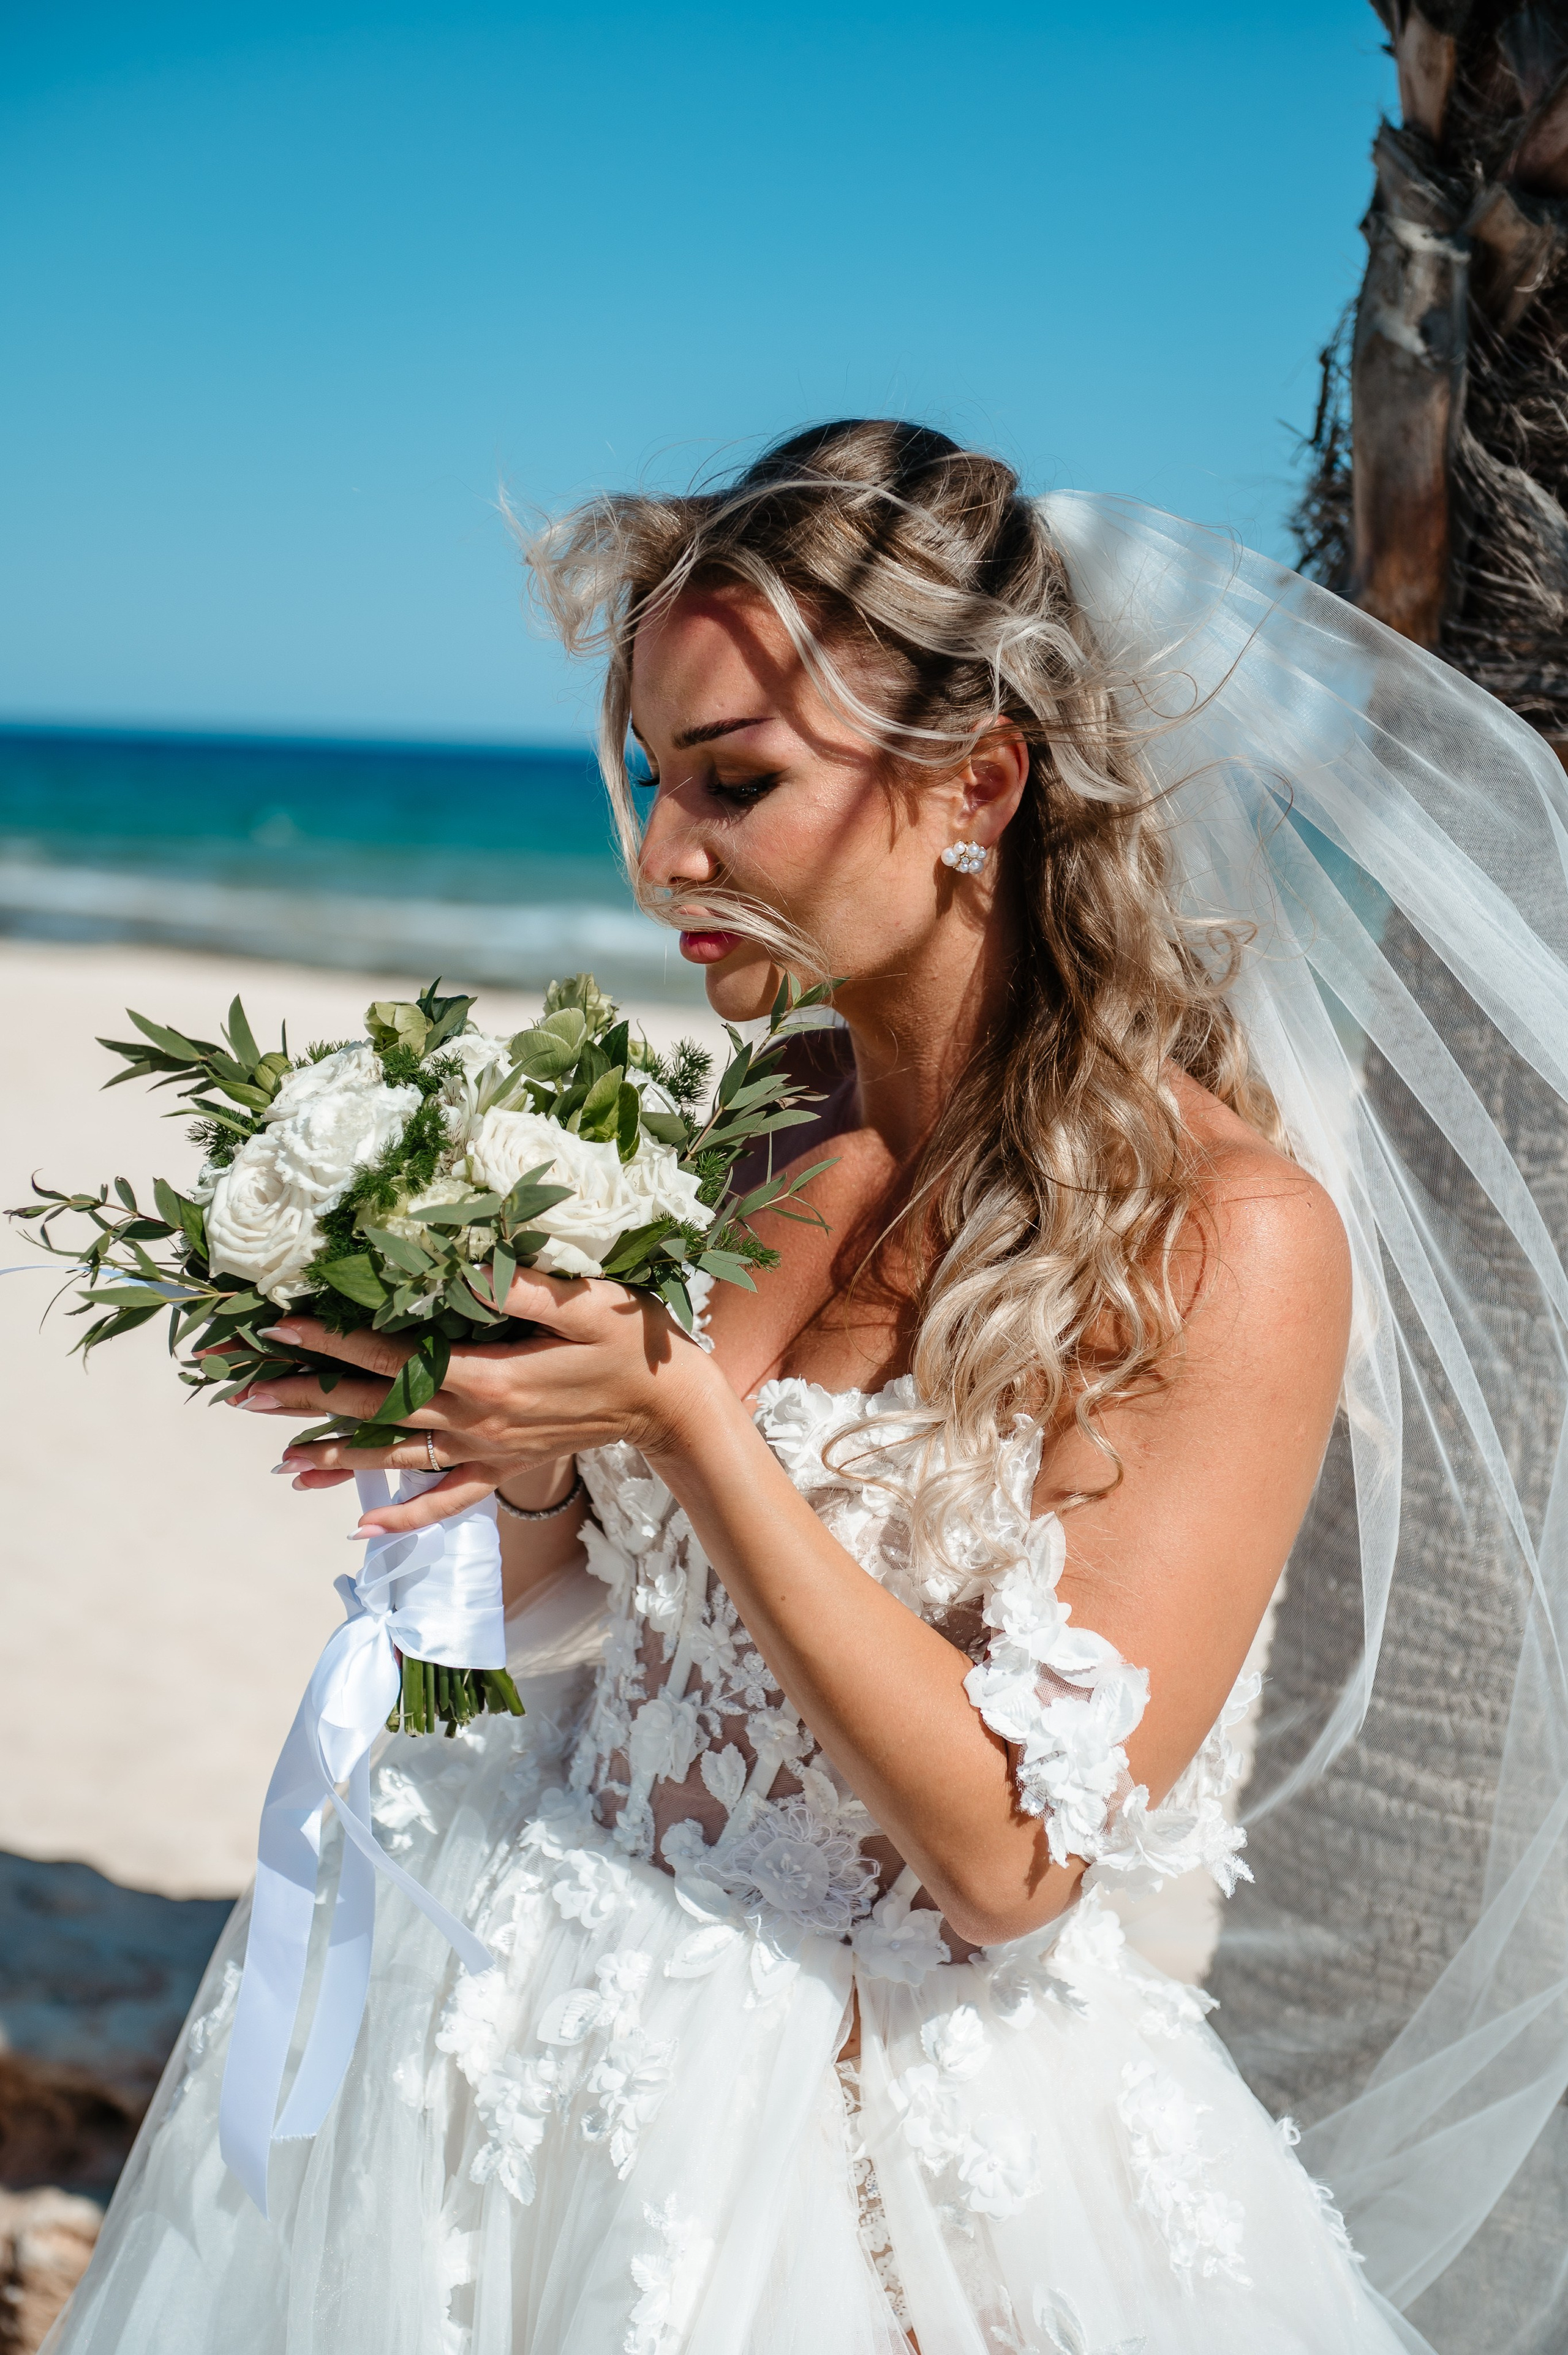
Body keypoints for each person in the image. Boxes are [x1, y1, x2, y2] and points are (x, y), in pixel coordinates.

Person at [48, 423, 1568, 2355]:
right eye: (651, 782)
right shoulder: (769, 1122)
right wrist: (489, 1433)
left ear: (974, 786)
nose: (665, 857)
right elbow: (570, 1627)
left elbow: (1012, 1862)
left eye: (737, 783)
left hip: (854, 2145)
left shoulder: (1227, 1239)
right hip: (525, 2017)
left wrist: (676, 1409)